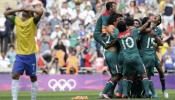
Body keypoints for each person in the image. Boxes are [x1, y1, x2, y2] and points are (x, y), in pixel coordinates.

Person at [4, 4, 43, 100]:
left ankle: (33, 99)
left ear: (30, 14)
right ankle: (14, 99)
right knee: (15, 75)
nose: (24, 11)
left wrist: (31, 8)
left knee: (33, 78)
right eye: (23, 11)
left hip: (30, 55)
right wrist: (19, 8)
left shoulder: (33, 21)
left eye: (26, 11)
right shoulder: (17, 20)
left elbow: (40, 12)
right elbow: (5, 14)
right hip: (20, 55)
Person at [115, 16, 152, 98]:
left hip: (126, 58)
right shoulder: (133, 31)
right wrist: (148, 22)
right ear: (126, 26)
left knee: (125, 76)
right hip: (136, 56)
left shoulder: (118, 36)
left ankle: (124, 94)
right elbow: (142, 28)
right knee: (144, 74)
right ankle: (147, 93)